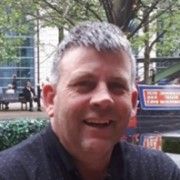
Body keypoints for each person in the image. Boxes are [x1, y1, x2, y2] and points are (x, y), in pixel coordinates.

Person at [0, 22, 179, 180]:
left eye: (117, 86)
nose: (103, 99)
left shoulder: (160, 172)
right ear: (50, 99)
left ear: (132, 102)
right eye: (84, 84)